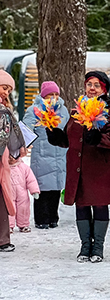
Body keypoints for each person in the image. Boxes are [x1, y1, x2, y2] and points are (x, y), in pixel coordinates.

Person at [46, 71, 110, 263]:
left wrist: (99, 139)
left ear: (104, 89)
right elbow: (71, 138)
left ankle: (98, 247)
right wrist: (58, 136)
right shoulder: (77, 110)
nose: (92, 88)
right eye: (89, 84)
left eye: (97, 85)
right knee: (81, 205)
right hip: (79, 167)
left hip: (100, 167)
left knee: (99, 204)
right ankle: (85, 246)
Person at [23, 81, 69, 229]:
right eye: (50, 95)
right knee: (42, 188)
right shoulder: (34, 110)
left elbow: (68, 129)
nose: (53, 98)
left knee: (56, 188)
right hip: (42, 155)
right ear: (43, 96)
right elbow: (26, 129)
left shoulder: (63, 111)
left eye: (56, 95)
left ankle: (53, 217)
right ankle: (41, 218)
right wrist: (24, 144)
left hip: (60, 153)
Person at [0, 70, 26, 252]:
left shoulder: (5, 109)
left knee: (2, 196)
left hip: (3, 157)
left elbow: (9, 134)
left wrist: (13, 151)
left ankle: (3, 239)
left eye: (9, 90)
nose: (6, 92)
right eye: (3, 87)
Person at [8, 156, 40, 233]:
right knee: (9, 209)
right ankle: (8, 226)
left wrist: (34, 190)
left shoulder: (24, 167)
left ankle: (24, 225)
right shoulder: (3, 167)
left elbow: (31, 180)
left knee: (23, 208)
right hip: (8, 193)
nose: (12, 159)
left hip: (22, 193)